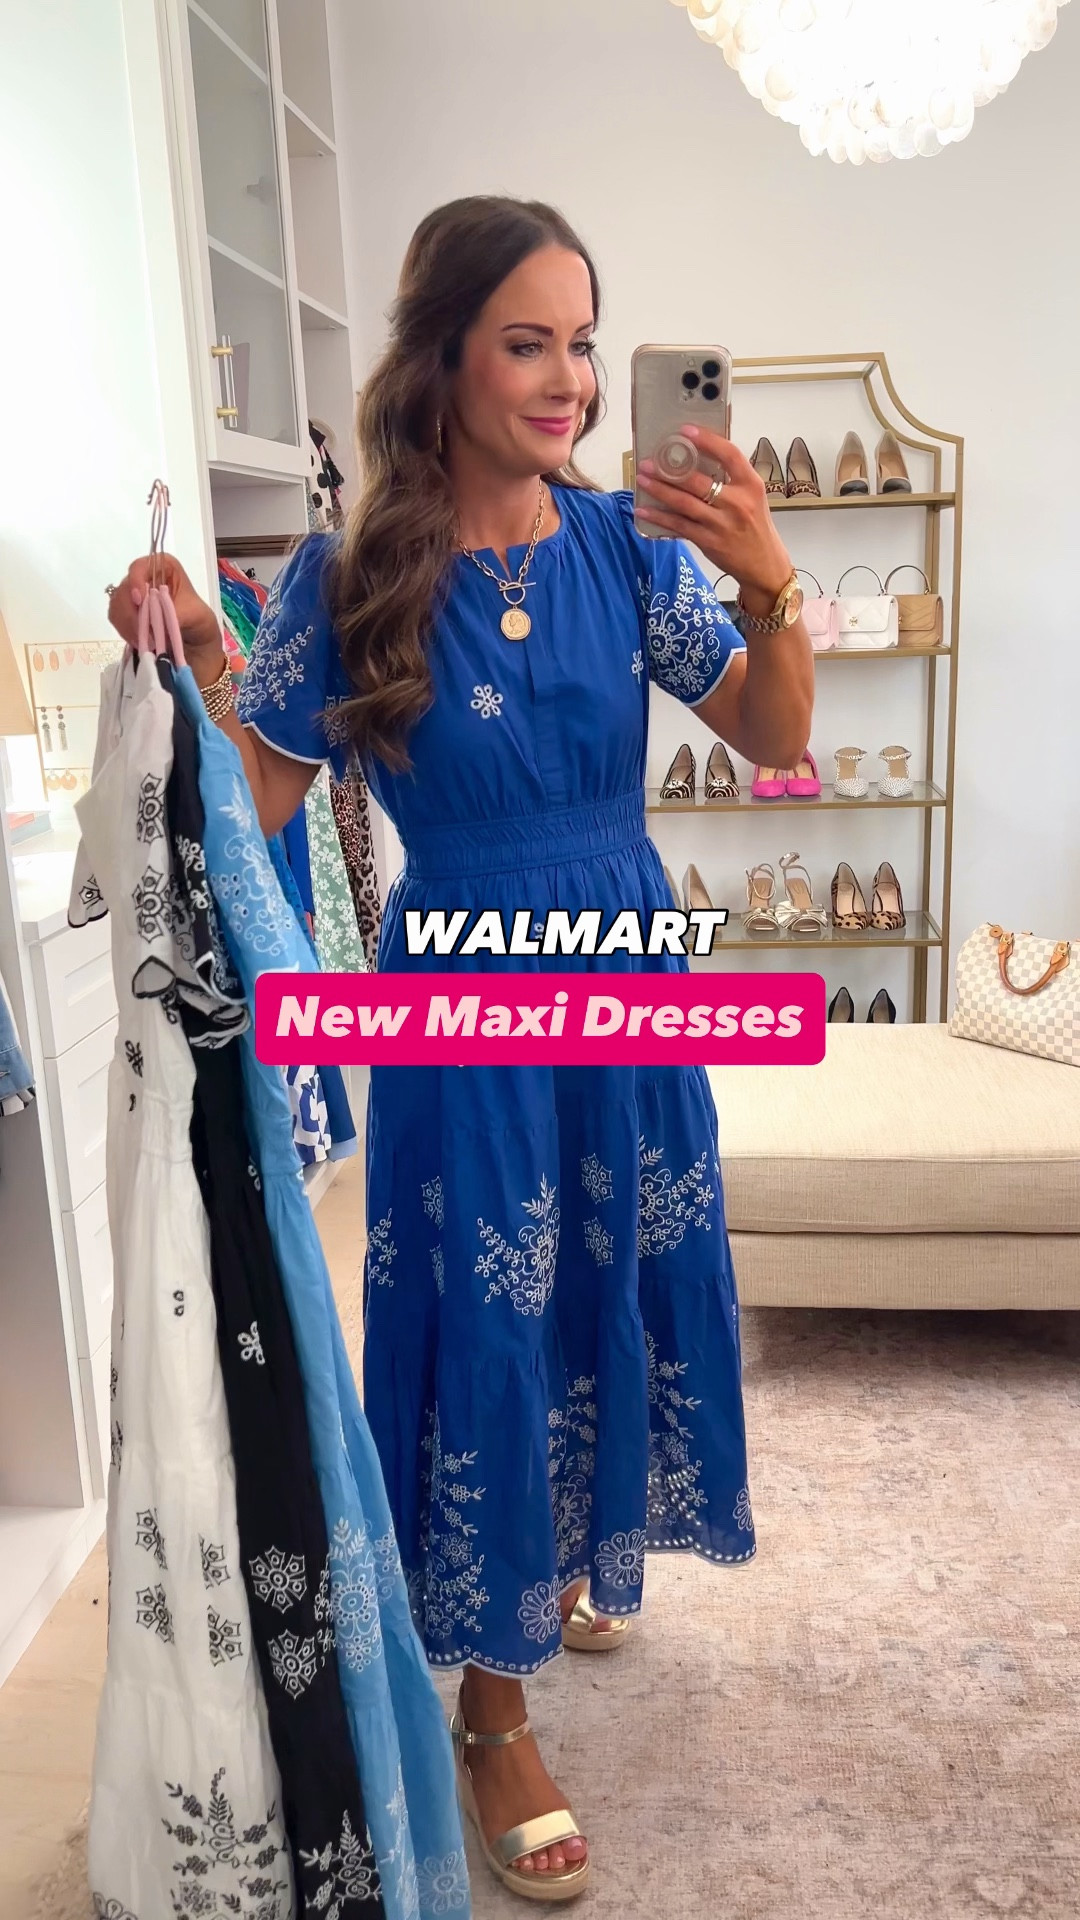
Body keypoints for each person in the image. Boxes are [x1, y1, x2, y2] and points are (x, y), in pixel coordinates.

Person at [109, 195, 813, 1904]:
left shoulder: (630, 554)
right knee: (494, 1316)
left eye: (585, 343)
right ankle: (493, 1713)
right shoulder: (358, 579)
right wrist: (195, 650)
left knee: (608, 1281)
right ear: (442, 360)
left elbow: (775, 736)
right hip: (469, 1003)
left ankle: (570, 1554)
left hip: (623, 981)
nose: (571, 379)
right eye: (528, 343)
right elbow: (254, 791)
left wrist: (769, 577)